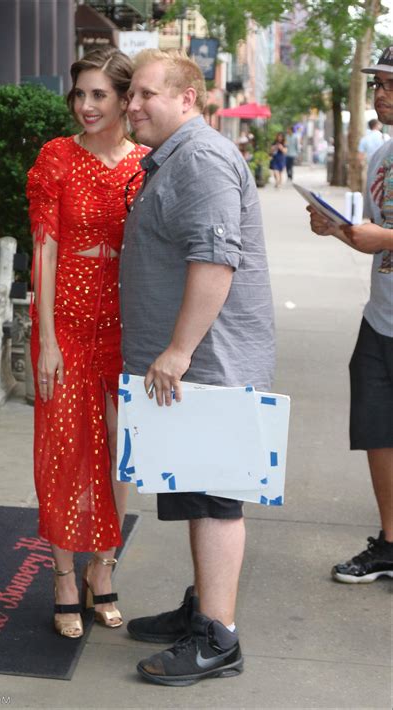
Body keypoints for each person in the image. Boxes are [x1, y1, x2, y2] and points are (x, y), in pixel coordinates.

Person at [120, 49, 275, 685]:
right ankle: (202, 609)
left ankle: (219, 638)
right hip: (190, 368)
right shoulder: (178, 157)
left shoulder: (203, 158)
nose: (133, 105)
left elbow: (215, 260)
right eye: (130, 94)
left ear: (189, 99)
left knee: (216, 501)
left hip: (210, 363)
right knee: (196, 488)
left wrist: (179, 350)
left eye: (146, 94)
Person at [26, 47, 147, 638]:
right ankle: (64, 576)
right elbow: (44, 248)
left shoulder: (146, 163)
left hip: (124, 323)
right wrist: (46, 339)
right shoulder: (56, 157)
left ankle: (104, 566)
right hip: (66, 321)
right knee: (65, 446)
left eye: (99, 94)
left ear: (126, 99)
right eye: (79, 94)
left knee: (119, 446)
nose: (86, 105)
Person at [308, 45, 393, 584]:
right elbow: (375, 232)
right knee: (376, 429)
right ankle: (390, 542)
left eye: (389, 84)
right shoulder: (382, 155)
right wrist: (339, 228)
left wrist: (376, 236)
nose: (380, 94)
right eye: (378, 83)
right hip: (381, 317)